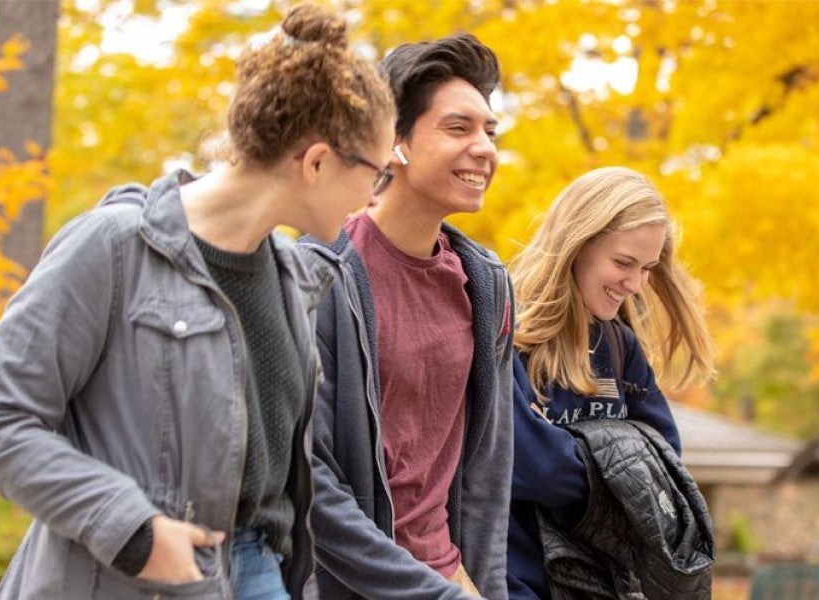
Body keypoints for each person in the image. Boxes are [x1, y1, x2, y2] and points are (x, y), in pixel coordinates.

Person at [0, 4, 395, 599]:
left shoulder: (294, 278)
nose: (375, 197)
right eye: (377, 174)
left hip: (259, 573)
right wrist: (134, 528)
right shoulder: (114, 247)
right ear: (317, 162)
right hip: (129, 576)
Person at [300, 33, 514, 599]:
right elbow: (310, 479)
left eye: (489, 132)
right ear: (396, 141)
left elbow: (489, 473)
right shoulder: (320, 275)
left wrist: (480, 588)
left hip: (450, 578)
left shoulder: (487, 285)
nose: (484, 148)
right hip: (351, 584)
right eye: (458, 128)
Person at [506, 166, 716, 599]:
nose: (635, 284)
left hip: (605, 586)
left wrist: (576, 457)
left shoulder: (622, 347)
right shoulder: (507, 334)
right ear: (576, 244)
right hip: (516, 581)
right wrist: (617, 462)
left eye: (647, 268)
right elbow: (526, 465)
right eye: (623, 263)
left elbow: (662, 465)